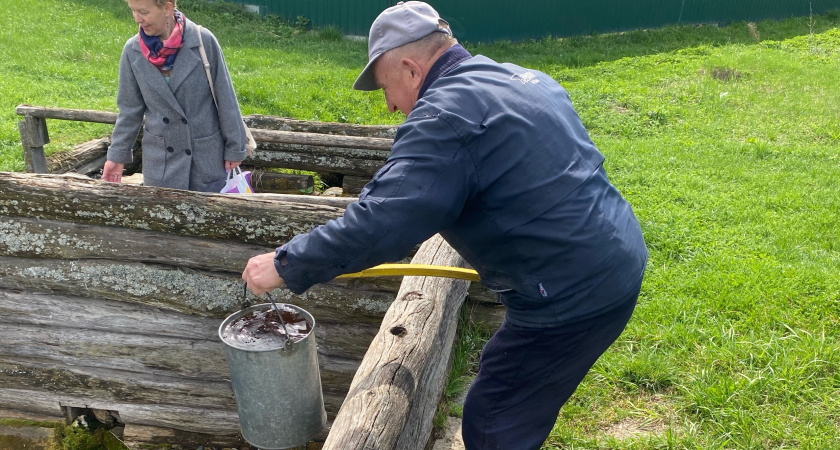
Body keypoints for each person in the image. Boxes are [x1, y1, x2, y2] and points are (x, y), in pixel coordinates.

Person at [242, 2, 648, 448]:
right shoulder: (516, 76)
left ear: (412, 69)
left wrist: (284, 263)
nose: (392, 105)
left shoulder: (443, 117)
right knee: (522, 399)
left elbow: (383, 221)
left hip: (569, 295)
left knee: (494, 419)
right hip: (615, 255)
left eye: (385, 88)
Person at [102, 0, 247, 192]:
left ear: (167, 8)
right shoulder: (133, 50)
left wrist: (235, 147)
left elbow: (225, 97)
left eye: (143, 12)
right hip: (161, 162)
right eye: (133, 11)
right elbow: (129, 110)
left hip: (204, 159)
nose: (137, 19)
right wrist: (116, 156)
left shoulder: (202, 41)